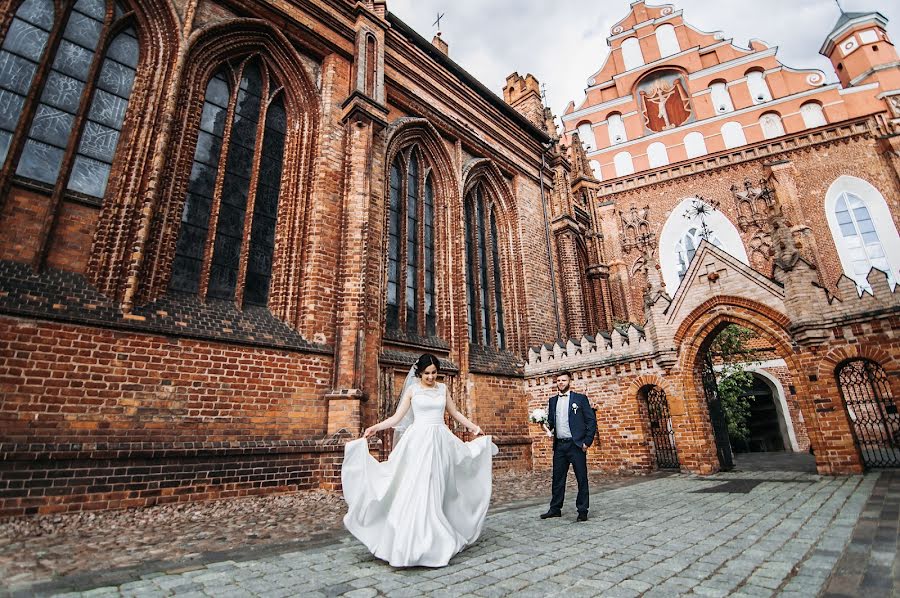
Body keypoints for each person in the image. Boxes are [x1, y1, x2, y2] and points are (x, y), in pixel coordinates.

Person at [341, 353, 497, 567]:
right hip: (418, 443)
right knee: (419, 487)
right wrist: (376, 427)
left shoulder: (443, 389)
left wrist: (474, 427)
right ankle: (414, 542)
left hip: (440, 442)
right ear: (419, 373)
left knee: (436, 487)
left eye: (434, 373)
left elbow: (455, 413)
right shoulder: (413, 390)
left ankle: (433, 539)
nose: (431, 377)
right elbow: (397, 418)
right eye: (427, 374)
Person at [540, 371, 597, 522]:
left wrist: (587, 442)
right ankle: (555, 509)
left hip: (576, 445)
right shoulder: (552, 401)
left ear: (569, 381)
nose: (560, 383)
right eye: (558, 380)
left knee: (581, 478)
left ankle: (582, 510)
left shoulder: (580, 399)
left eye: (563, 380)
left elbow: (591, 421)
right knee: (558, 478)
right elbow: (551, 423)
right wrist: (543, 425)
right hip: (559, 445)